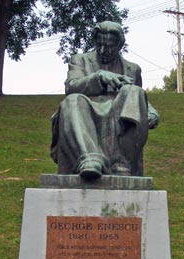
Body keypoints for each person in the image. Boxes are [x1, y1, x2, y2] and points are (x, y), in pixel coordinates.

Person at [50, 21, 159, 179]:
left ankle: (121, 162)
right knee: (73, 101)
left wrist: (151, 112)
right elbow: (71, 87)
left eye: (109, 46)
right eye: (99, 44)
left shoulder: (132, 69)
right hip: (85, 114)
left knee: (133, 91)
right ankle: (90, 159)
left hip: (118, 116)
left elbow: (140, 97)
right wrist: (98, 77)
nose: (103, 50)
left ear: (119, 45)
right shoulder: (80, 60)